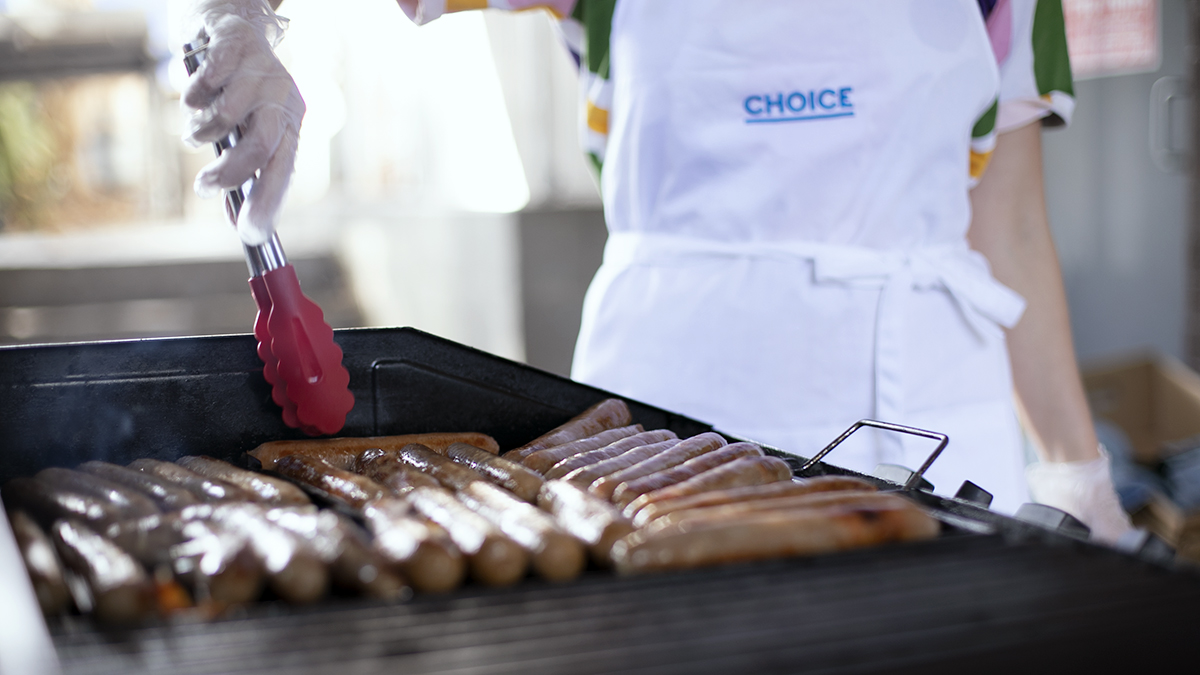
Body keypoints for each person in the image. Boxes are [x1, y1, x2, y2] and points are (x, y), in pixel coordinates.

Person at [178, 0, 1132, 540]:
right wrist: (241, 22)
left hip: (942, 419)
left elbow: (1008, 223)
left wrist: (1076, 467)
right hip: (667, 434)